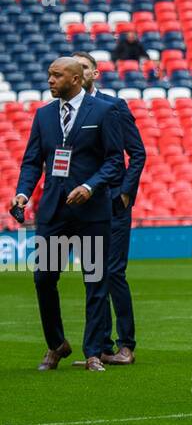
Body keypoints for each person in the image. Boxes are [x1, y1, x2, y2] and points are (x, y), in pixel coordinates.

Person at [13, 58, 124, 372]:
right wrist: (23, 190)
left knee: (95, 280)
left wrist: (90, 186)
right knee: (44, 278)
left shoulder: (104, 111)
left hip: (91, 211)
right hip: (54, 211)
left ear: (75, 79)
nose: (49, 80)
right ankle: (56, 344)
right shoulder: (43, 115)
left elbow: (116, 161)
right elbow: (32, 161)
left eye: (56, 75)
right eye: (49, 74)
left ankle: (92, 353)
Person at [71, 51, 146, 366]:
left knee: (113, 271)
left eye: (84, 67)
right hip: (85, 205)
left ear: (94, 73)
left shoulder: (114, 106)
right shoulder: (67, 111)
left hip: (113, 201)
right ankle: (100, 346)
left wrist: (125, 193)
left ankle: (125, 344)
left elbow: (137, 153)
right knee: (94, 273)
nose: (80, 71)